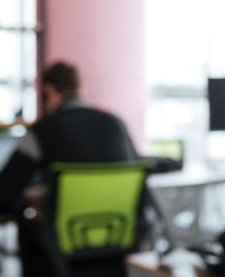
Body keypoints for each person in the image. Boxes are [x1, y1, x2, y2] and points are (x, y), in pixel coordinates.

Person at [0, 61, 140, 213]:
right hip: (118, 228)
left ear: (49, 90)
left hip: (63, 232)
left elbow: (5, 188)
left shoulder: (43, 130)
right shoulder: (116, 124)